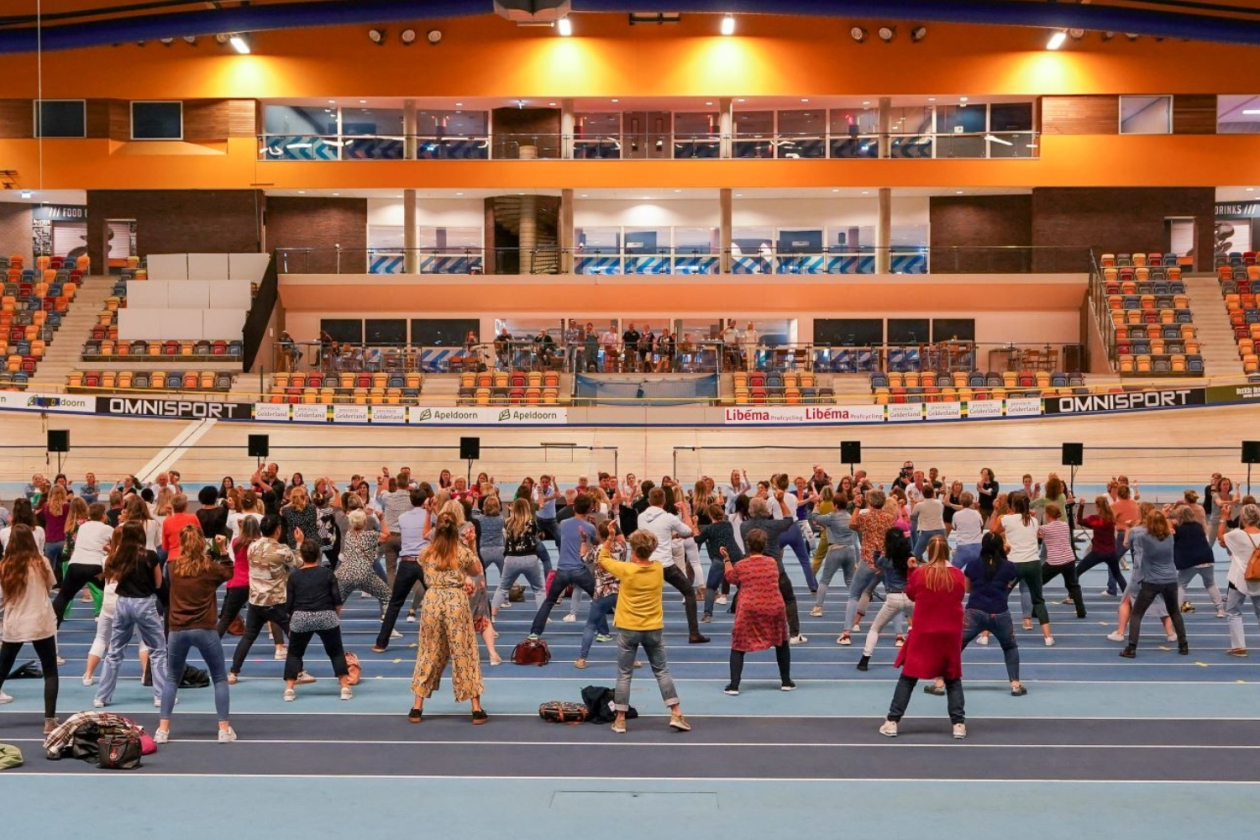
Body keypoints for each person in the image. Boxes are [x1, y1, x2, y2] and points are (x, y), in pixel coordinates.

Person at [598, 529, 691, 734]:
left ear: (633, 549)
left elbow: (602, 558)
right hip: (653, 628)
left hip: (628, 628)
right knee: (662, 671)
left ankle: (620, 719)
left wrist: (610, 537)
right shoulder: (658, 568)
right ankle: (676, 712)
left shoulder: (626, 570)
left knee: (624, 674)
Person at [879, 531, 967, 740]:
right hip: (950, 633)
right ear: (948, 550)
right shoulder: (957, 575)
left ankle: (892, 721)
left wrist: (911, 571)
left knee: (908, 677)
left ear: (928, 550)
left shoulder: (921, 574)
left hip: (924, 631)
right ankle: (958, 724)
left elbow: (910, 593)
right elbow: (960, 595)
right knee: (952, 678)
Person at [156, 526, 235, 743]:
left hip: (177, 629)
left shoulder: (173, 567)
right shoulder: (209, 567)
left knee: (172, 678)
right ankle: (223, 729)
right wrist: (223, 550)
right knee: (219, 678)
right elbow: (229, 573)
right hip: (205, 628)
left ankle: (163, 729)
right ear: (202, 543)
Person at [408, 513, 487, 724]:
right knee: (465, 651)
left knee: (429, 651)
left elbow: (425, 568)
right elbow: (477, 569)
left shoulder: (426, 553)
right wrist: (471, 543)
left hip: (432, 600)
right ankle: (476, 708)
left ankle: (417, 706)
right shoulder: (461, 553)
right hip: (455, 601)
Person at [929, 533, 1026, 698]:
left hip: (975, 612)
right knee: (1010, 647)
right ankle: (1015, 685)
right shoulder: (1009, 566)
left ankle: (939, 683)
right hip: (1000, 613)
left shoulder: (973, 565)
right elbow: (1009, 583)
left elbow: (967, 589)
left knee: (956, 645)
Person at [95, 522, 169, 708]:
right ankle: (161, 696)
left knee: (114, 651)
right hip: (143, 603)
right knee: (158, 650)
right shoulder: (150, 556)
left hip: (123, 603)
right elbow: (159, 584)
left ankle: (101, 697)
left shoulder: (117, 557)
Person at [0, 524, 60, 734]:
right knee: (50, 671)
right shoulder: (41, 563)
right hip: (40, 621)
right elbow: (51, 585)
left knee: (3, 667)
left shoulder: (5, 566)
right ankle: (49, 721)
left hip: (15, 623)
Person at [721, 529, 794, 695]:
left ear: (747, 545)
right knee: (781, 642)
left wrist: (726, 559)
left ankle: (734, 685)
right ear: (765, 545)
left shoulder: (741, 565)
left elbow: (730, 577)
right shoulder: (772, 563)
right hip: (774, 607)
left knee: (738, 644)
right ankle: (786, 681)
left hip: (749, 608)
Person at [228, 515, 298, 682]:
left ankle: (233, 672)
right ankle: (299, 671)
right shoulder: (282, 550)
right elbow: (299, 563)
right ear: (278, 530)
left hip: (256, 600)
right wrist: (300, 543)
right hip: (276, 601)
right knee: (294, 636)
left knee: (248, 637)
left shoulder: (252, 547)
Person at [284, 539, 355, 702]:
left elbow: (289, 605)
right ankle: (344, 686)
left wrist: (291, 624)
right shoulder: (328, 573)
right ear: (318, 555)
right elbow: (337, 600)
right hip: (326, 615)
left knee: (295, 652)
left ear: (301, 555)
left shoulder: (294, 577)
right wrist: (335, 618)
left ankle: (289, 689)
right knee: (336, 651)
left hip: (301, 616)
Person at [640, 487, 710, 644]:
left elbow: (651, 535)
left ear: (649, 501)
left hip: (648, 564)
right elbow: (689, 531)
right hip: (665, 564)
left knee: (646, 597)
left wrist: (672, 535)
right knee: (689, 592)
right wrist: (685, 509)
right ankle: (694, 633)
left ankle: (644, 632)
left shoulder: (641, 518)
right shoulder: (669, 517)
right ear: (664, 502)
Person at [1120, 509, 1188, 658]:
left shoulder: (1144, 537)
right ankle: (1183, 645)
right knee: (1174, 612)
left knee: (1137, 614)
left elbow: (1130, 540)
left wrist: (1131, 525)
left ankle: (1131, 648)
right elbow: (1169, 528)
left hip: (1152, 581)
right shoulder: (1170, 537)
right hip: (1170, 579)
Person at [528, 493, 597, 638]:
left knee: (549, 601)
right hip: (580, 569)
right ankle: (603, 632)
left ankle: (535, 632)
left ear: (573, 507)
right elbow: (595, 542)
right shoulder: (590, 528)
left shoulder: (564, 524)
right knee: (598, 599)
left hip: (563, 569)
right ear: (590, 509)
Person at [839, 490, 897, 646]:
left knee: (853, 595)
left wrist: (857, 506)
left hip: (868, 560)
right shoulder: (890, 518)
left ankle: (846, 633)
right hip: (884, 562)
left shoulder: (865, 517)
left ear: (870, 502)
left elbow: (851, 524)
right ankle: (899, 636)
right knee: (894, 595)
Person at [996, 493, 1054, 645]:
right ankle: (1048, 637)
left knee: (999, 597)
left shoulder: (1006, 519)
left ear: (1013, 506)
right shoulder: (1033, 521)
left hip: (1014, 564)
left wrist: (999, 512)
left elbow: (993, 531)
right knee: (1039, 600)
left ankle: (985, 635)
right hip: (1033, 563)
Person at [856, 528, 914, 671]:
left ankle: (865, 659)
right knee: (921, 629)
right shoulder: (910, 557)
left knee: (875, 629)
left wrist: (876, 551)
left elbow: (877, 564)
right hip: (910, 597)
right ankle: (924, 659)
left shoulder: (886, 559)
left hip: (893, 597)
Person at [51, 502, 112, 626]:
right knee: (113, 593)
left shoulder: (82, 527)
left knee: (64, 596)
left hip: (76, 565)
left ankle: (52, 625)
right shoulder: (108, 529)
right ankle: (118, 624)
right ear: (103, 516)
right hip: (96, 568)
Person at [575, 521, 623, 669]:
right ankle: (631, 659)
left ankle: (582, 659)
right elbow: (621, 539)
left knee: (590, 625)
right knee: (625, 627)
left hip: (601, 591)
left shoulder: (596, 550)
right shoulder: (621, 548)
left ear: (599, 535)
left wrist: (584, 540)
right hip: (619, 590)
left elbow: (582, 558)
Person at [489, 497, 547, 615]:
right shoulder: (532, 523)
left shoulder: (507, 523)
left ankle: (492, 616)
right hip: (530, 557)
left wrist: (511, 511)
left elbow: (514, 522)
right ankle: (543, 616)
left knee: (502, 588)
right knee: (539, 589)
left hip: (511, 558)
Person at [809, 490, 858, 615]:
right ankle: (856, 606)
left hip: (835, 550)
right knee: (850, 580)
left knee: (825, 580)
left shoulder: (832, 516)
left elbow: (814, 517)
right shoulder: (850, 517)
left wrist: (817, 504)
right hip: (850, 550)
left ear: (835, 505)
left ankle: (818, 607)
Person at [1220, 502, 1260, 656]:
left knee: (1233, 611)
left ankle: (1239, 647)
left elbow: (1221, 539)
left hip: (1239, 580)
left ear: (1243, 518)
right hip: (1258, 578)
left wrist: (1224, 518)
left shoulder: (1237, 534)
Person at [1171, 504, 1225, 617]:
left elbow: (1172, 542)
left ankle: (1176, 611)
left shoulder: (1178, 529)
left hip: (1190, 562)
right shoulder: (1199, 526)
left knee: (1181, 585)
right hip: (1206, 558)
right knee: (1210, 584)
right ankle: (1220, 609)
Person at [336, 509, 392, 609]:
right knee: (387, 596)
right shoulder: (371, 535)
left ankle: (332, 623)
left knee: (337, 602)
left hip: (346, 574)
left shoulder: (348, 535)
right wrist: (382, 519)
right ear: (365, 522)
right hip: (365, 575)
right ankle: (386, 621)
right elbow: (387, 535)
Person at [216, 515, 260, 638]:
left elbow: (243, 539)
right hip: (255, 583)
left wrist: (241, 528)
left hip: (238, 582)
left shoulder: (236, 542)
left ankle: (214, 640)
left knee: (226, 618)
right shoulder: (260, 544)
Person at [1040, 504, 1086, 619]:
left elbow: (1035, 534)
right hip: (1069, 559)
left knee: (1037, 583)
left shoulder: (1045, 528)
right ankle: (1081, 611)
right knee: (1073, 585)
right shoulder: (1065, 525)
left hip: (1054, 561)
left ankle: (1036, 610)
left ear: (1048, 515)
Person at [1076, 496, 1128, 597]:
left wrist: (1081, 506)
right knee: (1118, 575)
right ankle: (1128, 599)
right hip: (1111, 553)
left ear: (1097, 506)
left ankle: (1073, 596)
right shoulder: (1111, 519)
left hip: (1097, 553)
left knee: (1076, 572)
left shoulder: (1094, 519)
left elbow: (1079, 521)